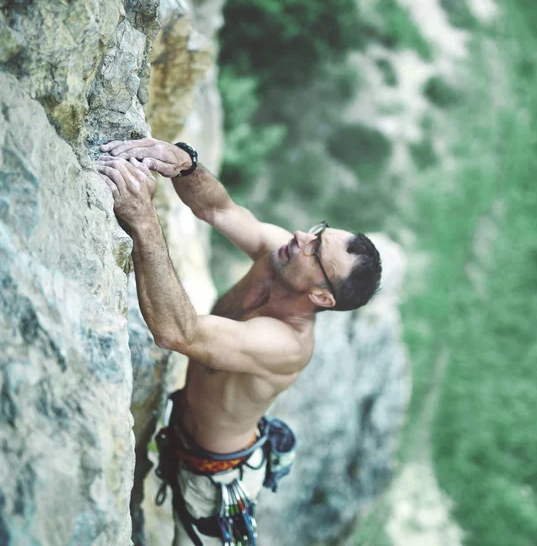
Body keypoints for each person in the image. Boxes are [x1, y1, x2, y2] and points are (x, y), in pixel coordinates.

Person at [97, 137, 382, 545]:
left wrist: (144, 221)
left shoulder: (287, 345)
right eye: (318, 230)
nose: (302, 235)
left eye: (316, 248)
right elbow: (218, 208)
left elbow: (177, 332)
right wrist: (184, 163)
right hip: (185, 441)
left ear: (322, 297)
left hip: (213, 486)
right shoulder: (280, 257)